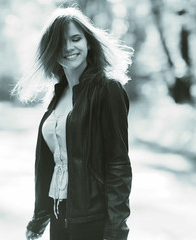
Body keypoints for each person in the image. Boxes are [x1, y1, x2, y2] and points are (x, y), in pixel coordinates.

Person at [13, 6, 133, 240]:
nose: (69, 47)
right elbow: (48, 164)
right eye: (60, 42)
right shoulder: (57, 95)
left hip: (93, 218)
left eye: (76, 38)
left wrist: (117, 230)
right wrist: (39, 219)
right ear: (51, 50)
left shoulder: (108, 90)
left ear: (89, 42)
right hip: (60, 213)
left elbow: (118, 164)